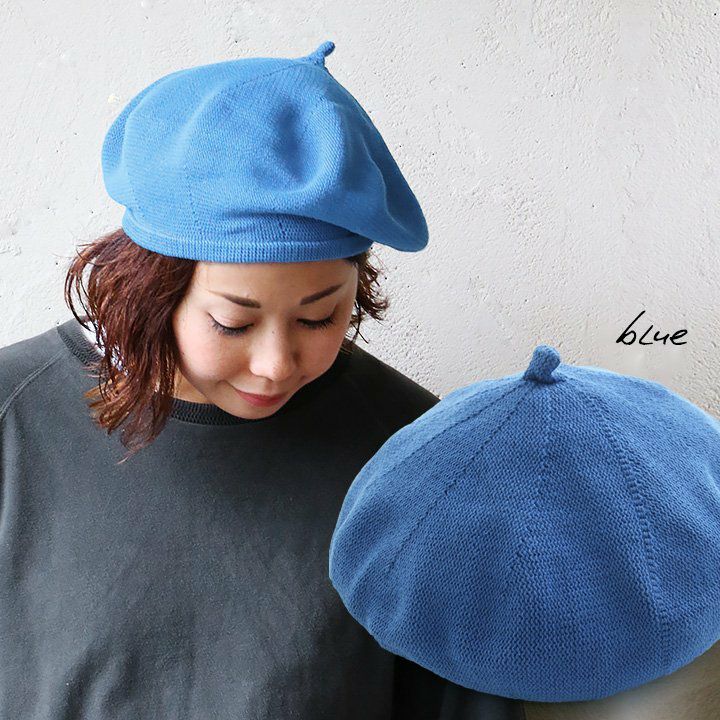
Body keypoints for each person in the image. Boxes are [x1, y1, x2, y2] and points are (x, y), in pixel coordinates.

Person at [0, 41, 526, 719]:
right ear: (149, 294)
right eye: (232, 323)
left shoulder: (420, 458)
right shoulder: (13, 419)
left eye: (319, 317)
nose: (276, 363)